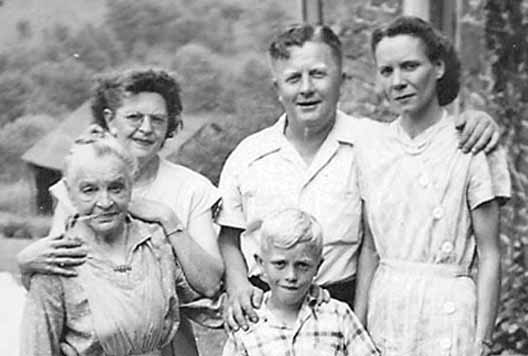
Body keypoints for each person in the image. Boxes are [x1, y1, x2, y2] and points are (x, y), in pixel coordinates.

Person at [217, 23, 501, 331]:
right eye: (293, 78)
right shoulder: (249, 155)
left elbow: (428, 146)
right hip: (266, 311)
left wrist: (477, 120)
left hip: (346, 307)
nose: (306, 88)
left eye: (318, 74)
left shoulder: (377, 145)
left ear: (342, 80)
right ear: (277, 88)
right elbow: (229, 237)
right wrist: (236, 283)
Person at [16, 68, 223, 356]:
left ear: (170, 125)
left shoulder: (190, 187)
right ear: (110, 119)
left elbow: (210, 284)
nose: (147, 128)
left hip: (163, 340)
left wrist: (166, 217)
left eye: (158, 119)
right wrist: (26, 262)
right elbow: (60, 277)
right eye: (135, 117)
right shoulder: (75, 186)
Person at [352, 16, 511, 356]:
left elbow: (489, 253)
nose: (398, 82)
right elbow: (370, 248)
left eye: (410, 66)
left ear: (438, 67)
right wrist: (358, 331)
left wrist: (481, 341)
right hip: (389, 310)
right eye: (386, 71)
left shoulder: (470, 143)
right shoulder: (371, 146)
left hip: (450, 314)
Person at [223, 208, 379, 356]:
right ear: (260, 263)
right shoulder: (248, 323)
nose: (291, 276)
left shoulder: (338, 315)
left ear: (318, 266)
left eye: (302, 265)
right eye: (280, 264)